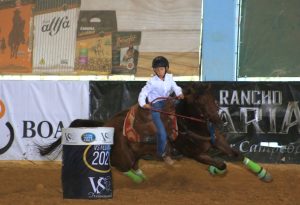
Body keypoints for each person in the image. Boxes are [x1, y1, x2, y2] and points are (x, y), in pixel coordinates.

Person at [138, 56, 184, 165]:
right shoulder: (151, 82)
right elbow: (143, 93)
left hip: (167, 103)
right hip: (156, 105)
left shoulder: (169, 78)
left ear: (166, 69)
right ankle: (161, 154)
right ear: (154, 70)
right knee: (162, 133)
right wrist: (144, 104)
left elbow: (175, 87)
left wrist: (179, 93)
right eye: (157, 69)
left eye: (162, 69)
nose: (160, 71)